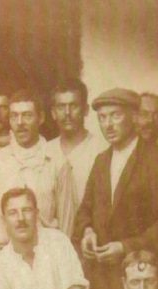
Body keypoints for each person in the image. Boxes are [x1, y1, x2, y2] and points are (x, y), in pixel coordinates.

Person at [74, 88, 158, 289]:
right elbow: (85, 210)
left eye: (116, 115)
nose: (108, 124)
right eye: (102, 118)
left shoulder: (157, 161)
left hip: (143, 283)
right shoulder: (102, 161)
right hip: (104, 284)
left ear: (134, 117)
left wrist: (126, 247)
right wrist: (87, 231)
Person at [0, 89, 63, 244]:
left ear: (41, 118)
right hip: (4, 257)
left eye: (27, 115)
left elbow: (67, 224)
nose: (20, 123)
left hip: (46, 256)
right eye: (14, 116)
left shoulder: (56, 161)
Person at [43, 79, 108, 235]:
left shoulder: (102, 149)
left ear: (85, 110)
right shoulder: (45, 150)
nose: (67, 113)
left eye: (74, 106)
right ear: (53, 112)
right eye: (61, 107)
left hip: (90, 237)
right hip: (53, 242)